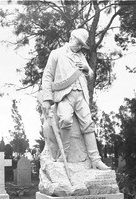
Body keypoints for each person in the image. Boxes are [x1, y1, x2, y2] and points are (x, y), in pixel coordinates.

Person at [41, 28, 109, 170]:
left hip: (81, 95)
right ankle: (64, 155)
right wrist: (47, 99)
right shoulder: (57, 54)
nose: (79, 47)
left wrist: (86, 68)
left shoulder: (81, 57)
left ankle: (95, 160)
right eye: (78, 43)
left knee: (88, 124)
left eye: (81, 45)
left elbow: (90, 75)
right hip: (64, 96)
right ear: (72, 39)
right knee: (65, 120)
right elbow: (47, 76)